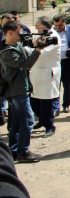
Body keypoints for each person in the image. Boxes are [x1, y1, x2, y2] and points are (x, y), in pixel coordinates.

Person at [0, 21, 44, 163]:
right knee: (28, 120)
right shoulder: (6, 52)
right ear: (9, 33)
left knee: (17, 122)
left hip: (21, 89)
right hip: (15, 91)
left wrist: (35, 46)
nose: (21, 35)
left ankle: (13, 151)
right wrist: (38, 50)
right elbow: (26, 64)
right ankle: (23, 152)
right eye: (18, 33)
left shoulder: (16, 45)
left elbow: (27, 55)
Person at [29, 16, 60, 138]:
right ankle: (42, 120)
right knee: (35, 101)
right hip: (37, 72)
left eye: (37, 26)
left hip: (47, 73)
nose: (36, 28)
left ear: (43, 27)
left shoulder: (54, 37)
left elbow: (42, 53)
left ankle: (49, 126)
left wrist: (31, 49)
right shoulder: (40, 35)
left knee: (46, 102)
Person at [53, 14, 70, 114]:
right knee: (56, 84)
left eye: (60, 25)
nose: (58, 27)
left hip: (67, 61)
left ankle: (66, 105)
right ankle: (56, 107)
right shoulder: (52, 32)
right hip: (55, 62)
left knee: (67, 84)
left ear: (64, 22)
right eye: (56, 25)